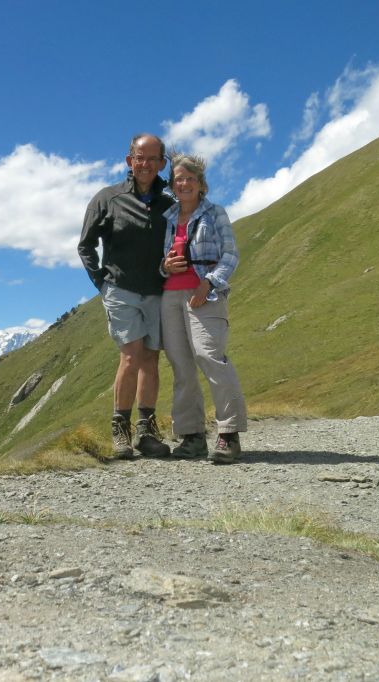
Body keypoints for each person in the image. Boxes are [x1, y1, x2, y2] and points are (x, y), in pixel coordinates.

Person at [78, 133, 173, 459]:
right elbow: (86, 245)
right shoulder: (108, 198)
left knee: (151, 357)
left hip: (158, 291)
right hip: (121, 289)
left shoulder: (168, 202)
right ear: (129, 160)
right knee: (131, 355)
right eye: (139, 157)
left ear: (161, 163)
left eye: (152, 158)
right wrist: (102, 283)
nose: (145, 164)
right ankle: (121, 429)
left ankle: (147, 431)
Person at [160, 153, 247, 463]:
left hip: (204, 295)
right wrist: (165, 266)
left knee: (209, 357)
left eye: (190, 179)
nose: (183, 184)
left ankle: (229, 435)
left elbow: (230, 255)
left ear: (200, 184)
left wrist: (208, 283)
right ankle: (192, 437)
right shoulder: (169, 217)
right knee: (181, 367)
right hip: (170, 297)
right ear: (172, 184)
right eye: (178, 179)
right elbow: (164, 262)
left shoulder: (215, 213)